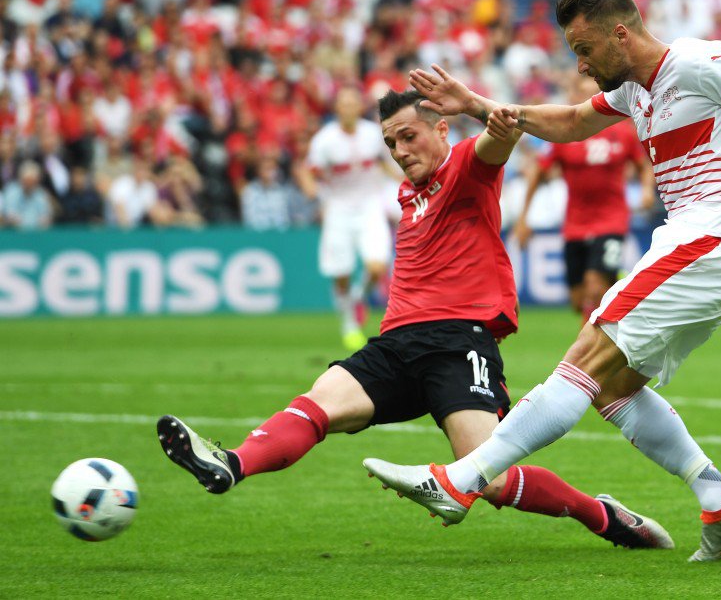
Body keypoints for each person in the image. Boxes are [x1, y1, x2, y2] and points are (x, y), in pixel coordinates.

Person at [363, 0, 721, 562]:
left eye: (584, 47)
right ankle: (718, 495)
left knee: (583, 358)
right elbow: (571, 120)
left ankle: (459, 481)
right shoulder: (632, 89)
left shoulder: (706, 62)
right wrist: (474, 103)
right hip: (701, 246)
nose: (580, 62)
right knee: (614, 390)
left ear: (620, 34)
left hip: (711, 241)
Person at [156, 89, 675, 551]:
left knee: (488, 480)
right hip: (395, 345)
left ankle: (602, 516)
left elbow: (504, 130)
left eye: (409, 137)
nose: (401, 151)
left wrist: (474, 104)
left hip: (458, 343)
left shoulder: (468, 167)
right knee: (316, 404)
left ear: (441, 129)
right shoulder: (408, 196)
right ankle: (232, 464)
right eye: (391, 144)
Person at [514, 73, 655, 322]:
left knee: (594, 290)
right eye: (583, 93)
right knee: (579, 300)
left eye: (595, 94)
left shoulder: (621, 132)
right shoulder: (565, 136)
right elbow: (538, 172)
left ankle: (586, 358)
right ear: (575, 97)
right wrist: (524, 218)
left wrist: (645, 189)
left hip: (612, 221)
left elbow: (643, 164)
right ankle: (616, 281)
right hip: (575, 224)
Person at [299, 87, 398, 350]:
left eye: (353, 103)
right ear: (337, 109)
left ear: (359, 107)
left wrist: (401, 177)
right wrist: (310, 187)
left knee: (377, 267)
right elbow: (308, 170)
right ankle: (348, 322)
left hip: (370, 206)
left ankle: (357, 299)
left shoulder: (372, 134)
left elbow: (382, 161)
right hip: (338, 208)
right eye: (343, 104)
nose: (349, 108)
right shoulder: (325, 140)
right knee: (340, 273)